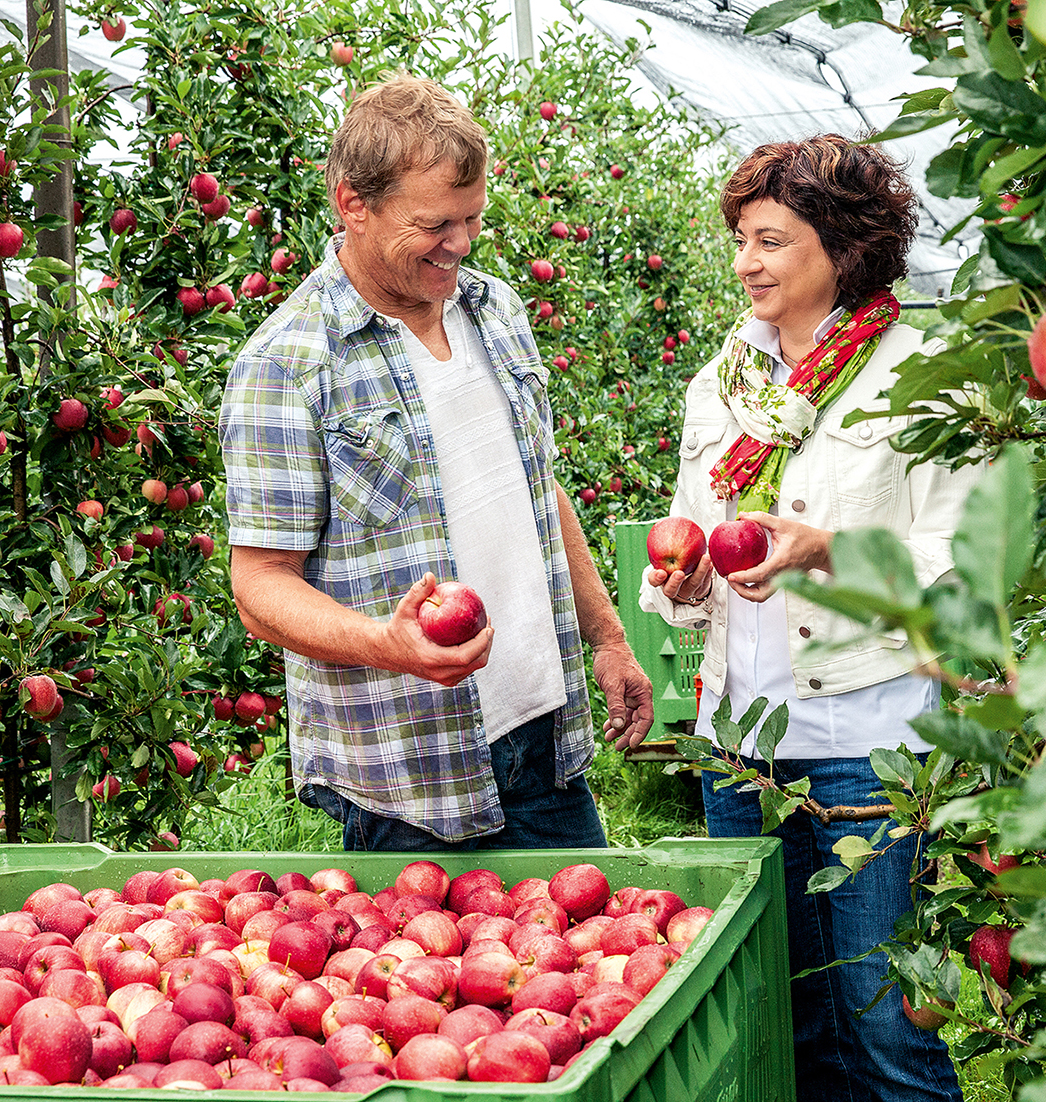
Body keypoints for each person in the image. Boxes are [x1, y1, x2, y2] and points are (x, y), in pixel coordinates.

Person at [220, 74, 653, 851]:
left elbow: (534, 485)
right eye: (433, 224)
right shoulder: (288, 364)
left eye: (472, 219)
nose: (459, 243)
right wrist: (387, 644)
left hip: (547, 748)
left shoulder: (497, 310)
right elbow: (259, 588)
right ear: (352, 202)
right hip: (412, 784)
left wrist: (609, 636)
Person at [639, 135, 980, 1102]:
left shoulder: (926, 379)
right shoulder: (722, 385)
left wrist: (824, 547)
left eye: (771, 240)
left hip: (868, 735)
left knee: (884, 1025)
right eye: (742, 239)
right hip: (738, 742)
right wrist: (687, 582)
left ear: (841, 245)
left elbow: (962, 566)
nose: (746, 262)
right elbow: (696, 545)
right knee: (776, 1015)